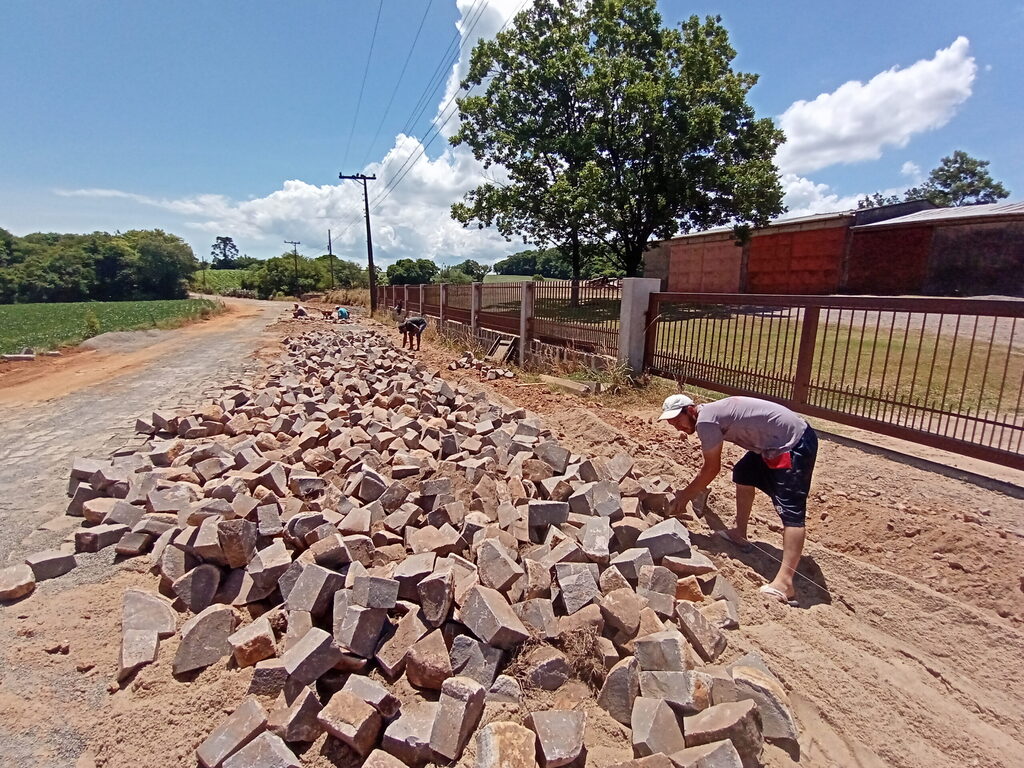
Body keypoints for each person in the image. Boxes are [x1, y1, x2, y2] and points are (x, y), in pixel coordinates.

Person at [659, 393, 818, 607]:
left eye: (678, 421)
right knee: (744, 473)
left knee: (791, 510)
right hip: (770, 443)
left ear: (690, 410)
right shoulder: (708, 414)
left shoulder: (706, 421)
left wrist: (685, 496)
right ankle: (739, 533)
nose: (678, 427)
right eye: (672, 424)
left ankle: (784, 583)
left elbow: (711, 468)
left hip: (793, 442)